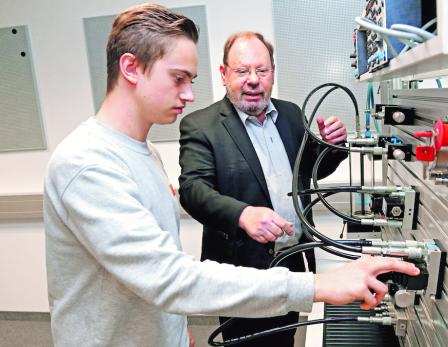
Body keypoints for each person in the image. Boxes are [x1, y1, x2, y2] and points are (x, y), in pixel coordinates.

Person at [43, 4, 419, 347]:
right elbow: (169, 274)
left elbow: (153, 275)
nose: (189, 93)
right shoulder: (87, 163)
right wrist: (318, 285)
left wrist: (175, 330)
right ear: (130, 68)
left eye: (190, 79)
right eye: (178, 78)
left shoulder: (144, 153)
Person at [178, 32, 349, 346]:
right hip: (240, 270)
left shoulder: (292, 114)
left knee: (285, 340)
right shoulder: (200, 125)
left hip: (293, 259)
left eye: (262, 70)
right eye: (242, 71)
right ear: (224, 74)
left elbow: (310, 170)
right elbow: (193, 190)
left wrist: (332, 146)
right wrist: (243, 215)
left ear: (273, 72)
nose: (253, 80)